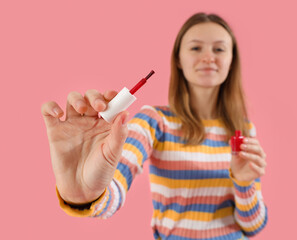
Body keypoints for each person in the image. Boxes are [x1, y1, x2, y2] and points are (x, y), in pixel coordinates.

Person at [41, 12, 268, 240]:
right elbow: (115, 187)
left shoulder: (244, 130)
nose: (209, 57)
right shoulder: (155, 121)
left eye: (219, 49)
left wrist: (244, 182)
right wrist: (85, 193)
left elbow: (253, 225)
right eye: (196, 48)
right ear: (178, 59)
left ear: (232, 60)